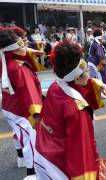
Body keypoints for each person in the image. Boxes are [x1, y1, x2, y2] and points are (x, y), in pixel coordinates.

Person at [34, 40, 106, 179]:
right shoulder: (77, 110)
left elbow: (74, 85)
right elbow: (81, 153)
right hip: (58, 166)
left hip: (43, 154)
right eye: (87, 71)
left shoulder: (55, 87)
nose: (89, 73)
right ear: (78, 77)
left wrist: (94, 83)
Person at [0, 29, 43, 179]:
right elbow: (29, 94)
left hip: (9, 106)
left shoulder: (5, 60)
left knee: (19, 133)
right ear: (14, 49)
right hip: (21, 109)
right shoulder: (18, 68)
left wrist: (27, 50)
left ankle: (20, 158)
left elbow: (20, 51)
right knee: (30, 138)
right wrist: (37, 115)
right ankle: (32, 173)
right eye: (22, 45)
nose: (25, 47)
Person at [88, 29, 106, 98]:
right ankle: (103, 93)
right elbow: (99, 56)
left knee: (94, 79)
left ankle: (96, 93)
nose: (102, 38)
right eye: (101, 36)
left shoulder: (96, 44)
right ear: (99, 37)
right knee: (100, 78)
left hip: (93, 63)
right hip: (95, 64)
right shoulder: (96, 45)